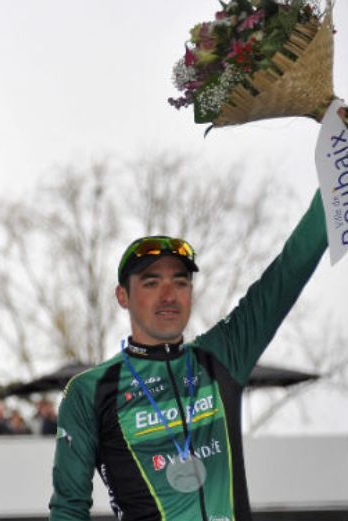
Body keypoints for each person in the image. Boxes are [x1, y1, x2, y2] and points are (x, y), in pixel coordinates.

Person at [49, 191, 327, 520]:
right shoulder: (89, 390)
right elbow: (68, 508)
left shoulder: (221, 356)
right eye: (151, 283)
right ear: (122, 296)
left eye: (180, 283)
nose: (169, 295)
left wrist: (336, 167)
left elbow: (289, 270)